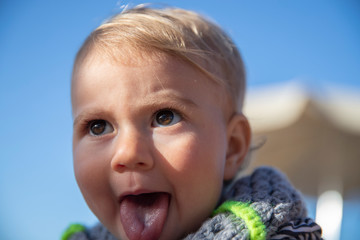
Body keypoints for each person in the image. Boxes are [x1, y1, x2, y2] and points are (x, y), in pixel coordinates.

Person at [63, 5, 322, 240]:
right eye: (98, 127)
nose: (128, 153)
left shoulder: (285, 234)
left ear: (231, 147)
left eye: (165, 117)